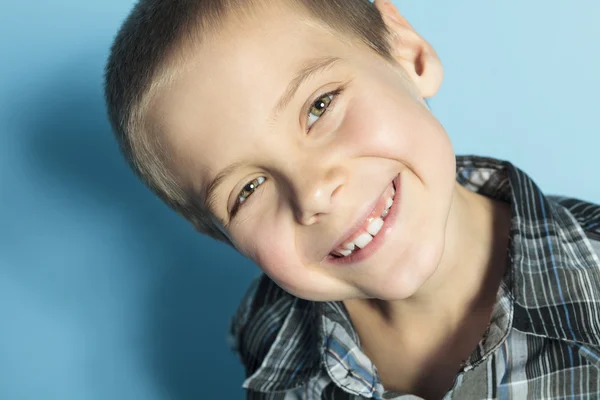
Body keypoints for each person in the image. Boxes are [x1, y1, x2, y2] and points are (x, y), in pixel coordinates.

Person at [104, 0, 600, 398]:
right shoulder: (268, 336)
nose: (314, 191)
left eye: (320, 106)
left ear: (408, 53)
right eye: (247, 190)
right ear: (218, 232)